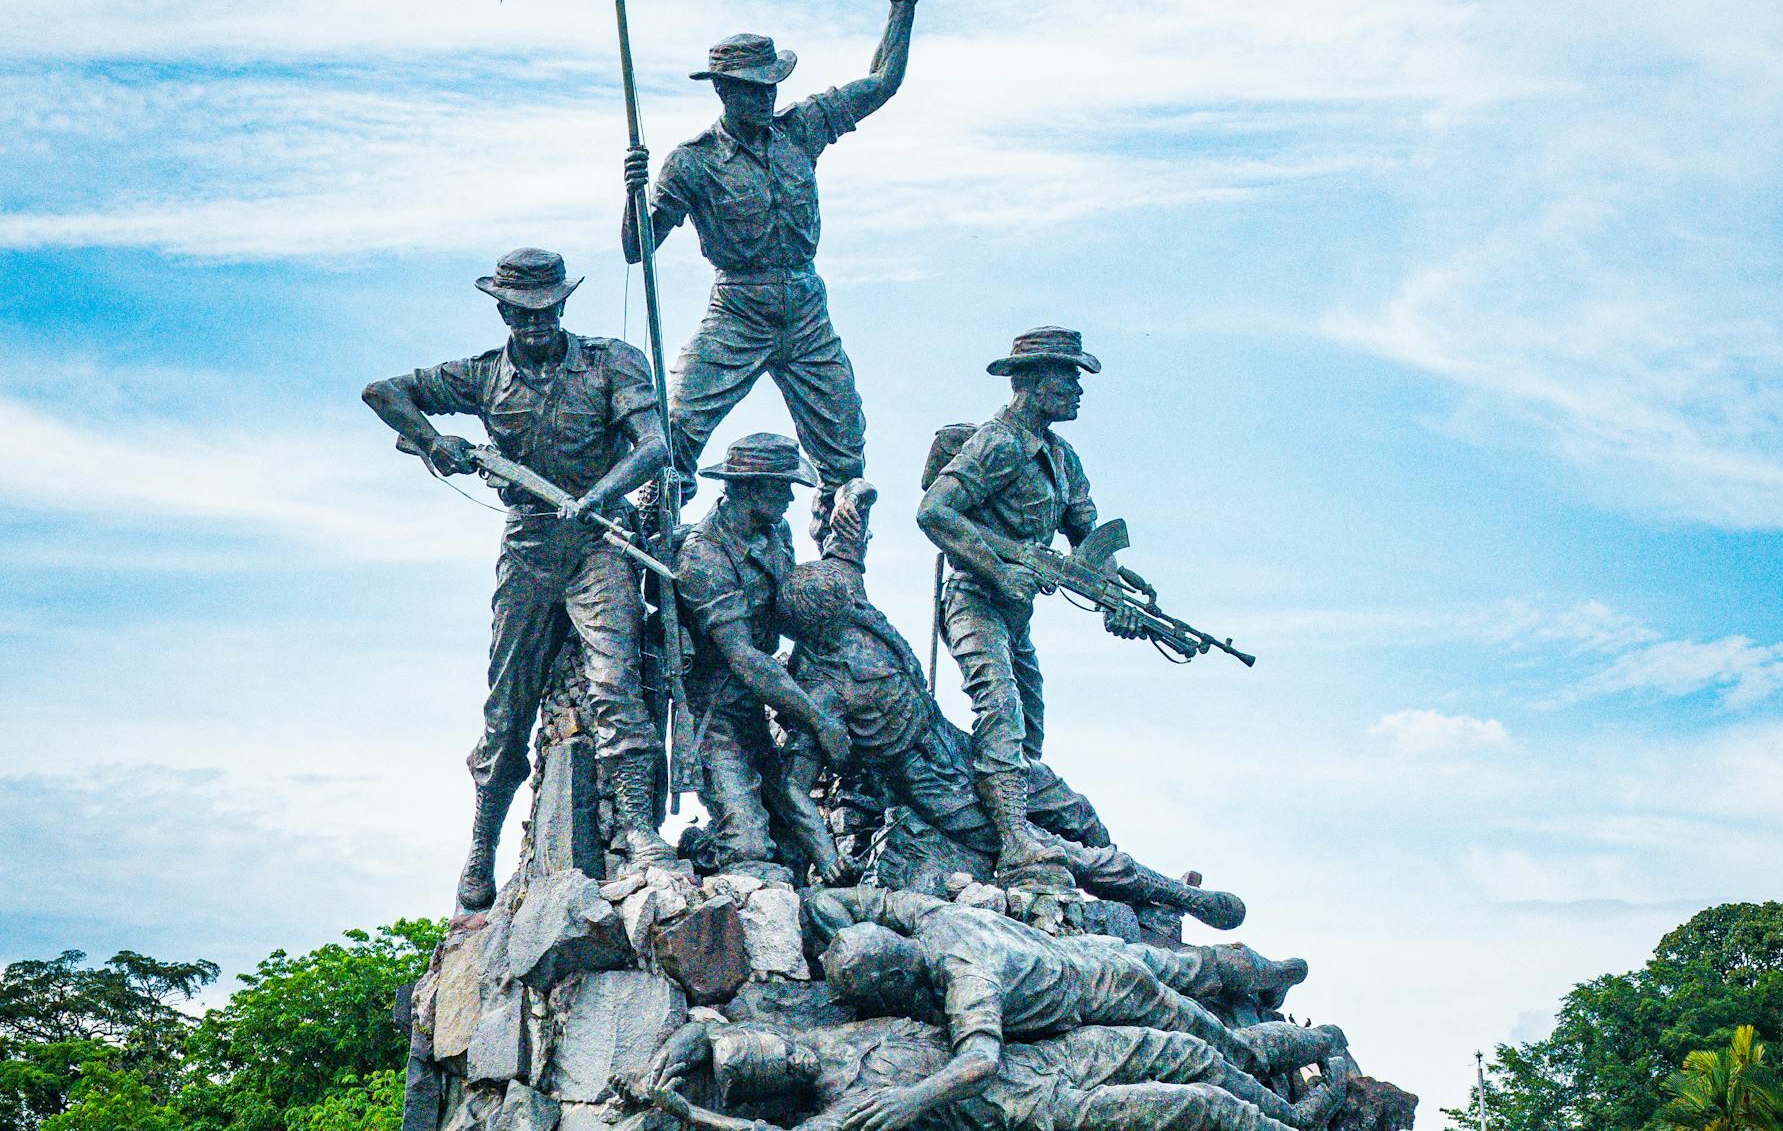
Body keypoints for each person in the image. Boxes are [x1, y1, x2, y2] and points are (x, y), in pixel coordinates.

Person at [776, 482, 1244, 931]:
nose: (857, 615)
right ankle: (1184, 899)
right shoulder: (817, 691)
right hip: (935, 789)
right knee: (1054, 850)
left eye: (851, 605)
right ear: (822, 630)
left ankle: (1146, 906)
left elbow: (847, 544)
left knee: (1070, 806)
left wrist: (857, 497)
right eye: (844, 619)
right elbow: (794, 788)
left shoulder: (842, 595)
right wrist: (826, 859)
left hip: (955, 742)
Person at [362, 248, 674, 911]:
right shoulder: (480, 377)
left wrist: (600, 496)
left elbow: (654, 446)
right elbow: (383, 393)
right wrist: (432, 441)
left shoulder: (609, 362)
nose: (535, 323)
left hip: (599, 540)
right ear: (502, 310)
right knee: (506, 709)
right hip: (529, 545)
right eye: (522, 312)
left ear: (564, 304)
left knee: (617, 685)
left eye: (547, 309)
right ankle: (480, 849)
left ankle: (643, 834)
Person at [622, 0, 924, 541]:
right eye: (752, 89)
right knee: (674, 430)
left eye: (771, 87)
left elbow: (882, 82)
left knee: (845, 448)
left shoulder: (802, 128)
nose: (765, 98)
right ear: (725, 92)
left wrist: (901, 10)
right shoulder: (693, 162)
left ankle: (838, 574)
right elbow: (639, 250)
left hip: (807, 307)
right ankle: (653, 546)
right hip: (738, 308)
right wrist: (632, 196)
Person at [915, 327, 1152, 885]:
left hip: (1016, 616)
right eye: (1068, 377)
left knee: (1030, 734)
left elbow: (1089, 546)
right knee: (1000, 710)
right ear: (1033, 382)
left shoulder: (1063, 458)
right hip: (974, 600)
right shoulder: (998, 444)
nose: (1077, 389)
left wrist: (1116, 597)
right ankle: (1016, 838)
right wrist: (999, 567)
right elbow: (935, 512)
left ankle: (1016, 830)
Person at [803, 888, 1312, 1081]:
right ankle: (1278, 972)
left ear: (894, 978)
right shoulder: (932, 918)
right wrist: (842, 939)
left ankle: (1310, 1043)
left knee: (1223, 1047)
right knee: (1196, 969)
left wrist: (907, 1099)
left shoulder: (967, 981)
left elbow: (981, 1062)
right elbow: (832, 902)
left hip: (1113, 993)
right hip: (1090, 951)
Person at [633, 1014, 1347, 1131]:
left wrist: (685, 1048)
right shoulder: (846, 1112)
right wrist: (691, 1113)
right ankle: (1296, 1123)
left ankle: (1318, 1040)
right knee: (1194, 1106)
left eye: (774, 1046)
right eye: (771, 1068)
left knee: (1191, 1048)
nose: (785, 1056)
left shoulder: (837, 1030)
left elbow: (705, 1025)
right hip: (1042, 1110)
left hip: (1057, 1052)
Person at [675, 433, 855, 882]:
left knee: (792, 842)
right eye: (781, 487)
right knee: (749, 845)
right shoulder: (705, 556)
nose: (791, 497)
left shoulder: (776, 534)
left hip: (759, 704)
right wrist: (819, 719)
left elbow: (790, 611)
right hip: (713, 714)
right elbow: (744, 658)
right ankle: (696, 851)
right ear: (748, 487)